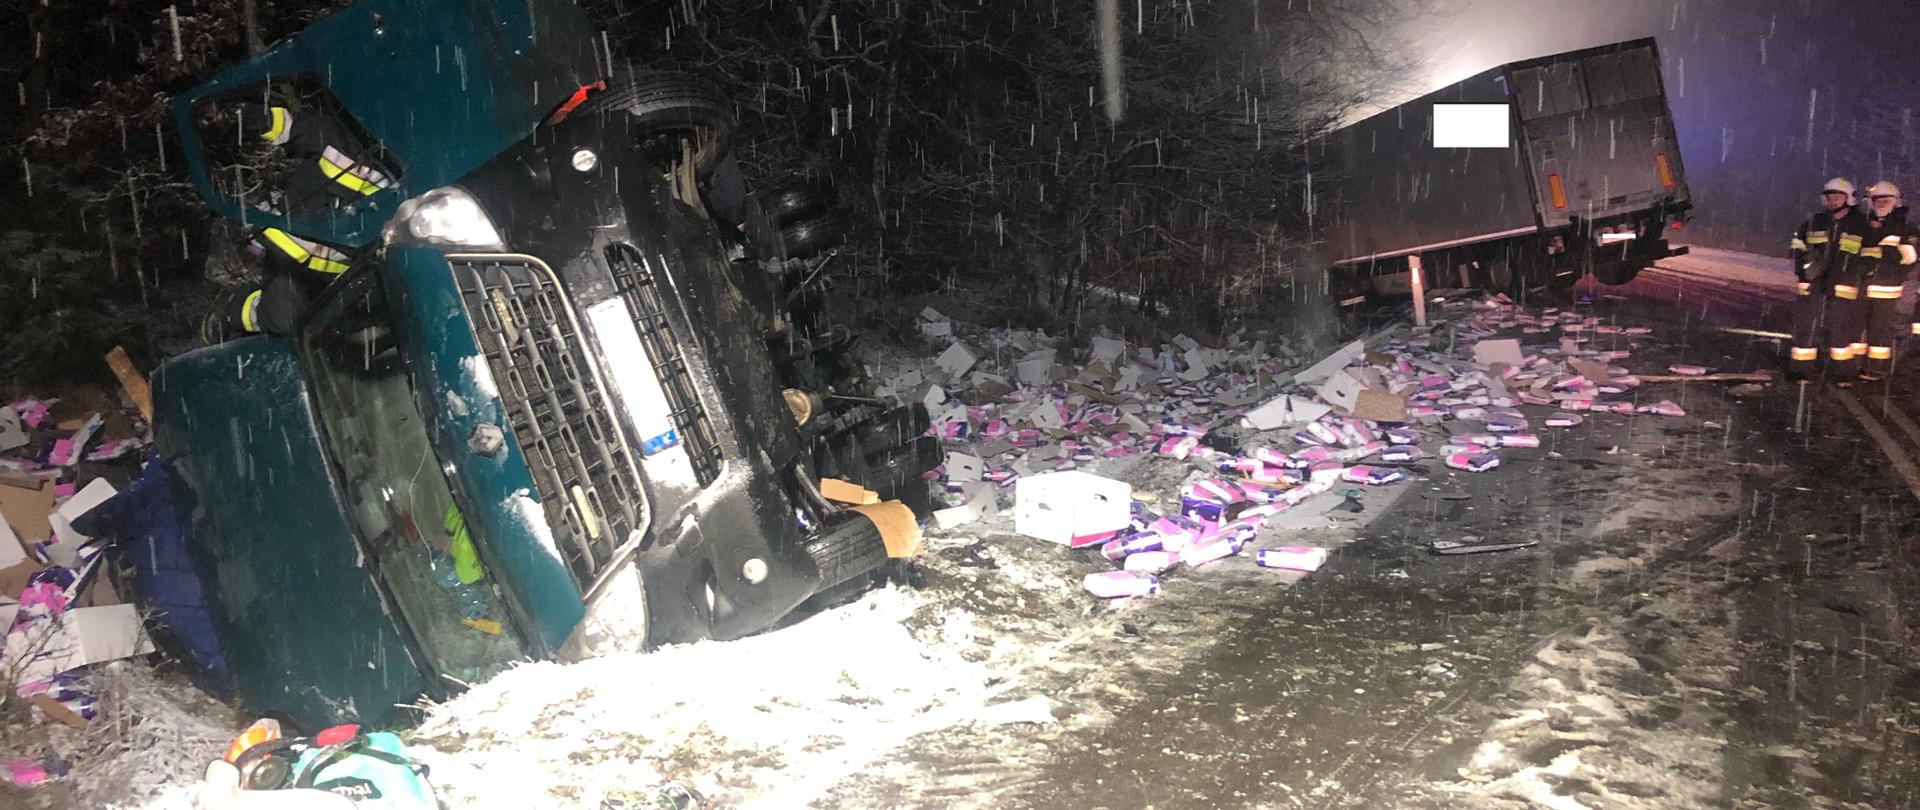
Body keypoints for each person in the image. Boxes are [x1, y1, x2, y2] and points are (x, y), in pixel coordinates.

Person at [201, 99, 394, 343]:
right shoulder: (341, 141)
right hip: (280, 243)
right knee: (282, 316)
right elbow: (290, 126)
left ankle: (237, 314)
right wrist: (246, 115)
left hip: (325, 277)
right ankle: (232, 311)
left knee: (293, 322)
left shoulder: (407, 202)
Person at [1786, 178, 1866, 380]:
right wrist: (1804, 271)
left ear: (1848, 199)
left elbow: (1866, 256)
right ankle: (1801, 370)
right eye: (1830, 197)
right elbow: (1797, 247)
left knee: (1840, 330)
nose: (1833, 200)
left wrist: (1849, 275)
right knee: (1806, 327)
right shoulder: (1814, 222)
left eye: (1838, 196)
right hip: (1813, 283)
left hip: (1843, 286)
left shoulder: (1859, 224)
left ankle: (1842, 373)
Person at [1856, 181, 1919, 381]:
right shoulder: (1864, 224)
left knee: (1884, 329)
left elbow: (1910, 257)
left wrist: (1887, 253)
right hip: (1864, 285)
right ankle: (1858, 365)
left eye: (1886, 200)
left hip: (1889, 287)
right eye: (1877, 200)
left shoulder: (1905, 225)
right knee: (1860, 327)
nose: (1881, 203)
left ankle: (1879, 368)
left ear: (1895, 202)